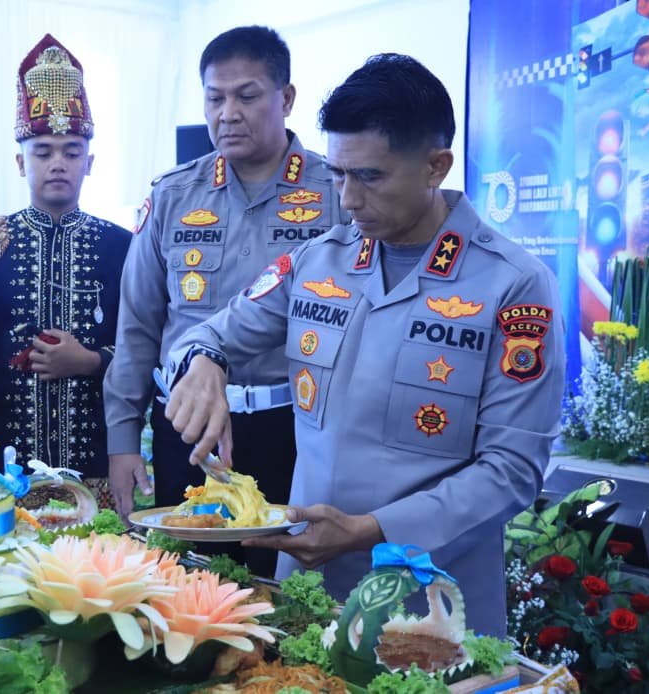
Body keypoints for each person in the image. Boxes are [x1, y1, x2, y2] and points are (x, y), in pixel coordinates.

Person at [163, 53, 564, 637]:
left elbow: (512, 472)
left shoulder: (512, 285)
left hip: (428, 610)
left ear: (436, 166)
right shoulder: (317, 262)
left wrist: (371, 531)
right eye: (338, 174)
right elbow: (206, 332)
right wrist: (206, 363)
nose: (348, 199)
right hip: (307, 599)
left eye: (370, 177)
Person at [103, 26, 347, 568]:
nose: (228, 114)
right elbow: (138, 327)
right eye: (215, 98)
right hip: (187, 432)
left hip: (292, 431)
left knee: (284, 589)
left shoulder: (336, 193)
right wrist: (122, 441)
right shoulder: (173, 195)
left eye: (247, 96)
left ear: (286, 98)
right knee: (185, 584)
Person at [0, 34, 131, 508]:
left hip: (97, 463)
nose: (58, 164)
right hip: (3, 471)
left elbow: (143, 351)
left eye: (72, 151)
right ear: (20, 162)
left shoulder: (122, 246)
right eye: (43, 151)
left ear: (90, 162)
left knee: (99, 559)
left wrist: (91, 361)